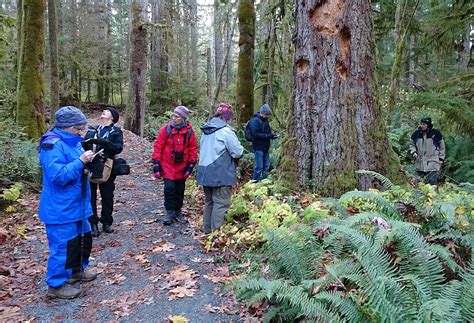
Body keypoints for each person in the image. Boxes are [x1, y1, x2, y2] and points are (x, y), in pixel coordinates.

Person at [38, 106, 97, 299]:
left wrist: (89, 164)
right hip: (60, 208)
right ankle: (56, 285)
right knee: (63, 246)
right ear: (65, 127)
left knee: (82, 240)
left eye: (83, 128)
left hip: (78, 204)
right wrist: (80, 161)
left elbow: (77, 167)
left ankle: (76, 271)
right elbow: (58, 176)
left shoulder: (73, 141)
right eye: (78, 128)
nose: (81, 133)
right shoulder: (52, 145)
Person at [196, 103, 244, 234]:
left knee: (209, 202)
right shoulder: (226, 131)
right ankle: (216, 235)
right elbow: (237, 152)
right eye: (230, 116)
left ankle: (207, 232)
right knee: (221, 203)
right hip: (220, 173)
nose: (230, 119)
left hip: (205, 172)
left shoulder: (206, 131)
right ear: (226, 117)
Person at [152, 106, 198, 225]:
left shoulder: (189, 132)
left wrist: (191, 164)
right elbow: (158, 146)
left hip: (182, 167)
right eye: (173, 115)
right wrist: (156, 164)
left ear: (183, 118)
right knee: (169, 189)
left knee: (180, 190)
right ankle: (169, 212)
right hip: (167, 166)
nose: (174, 118)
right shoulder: (166, 129)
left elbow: (193, 148)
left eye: (177, 116)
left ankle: (178, 211)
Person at [82, 107, 124, 236]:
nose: (103, 112)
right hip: (91, 166)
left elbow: (118, 148)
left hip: (107, 167)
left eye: (106, 112)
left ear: (112, 117)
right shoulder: (92, 130)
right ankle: (93, 223)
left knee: (107, 196)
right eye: (103, 111)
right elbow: (83, 145)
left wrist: (103, 142)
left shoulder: (116, 131)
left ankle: (106, 222)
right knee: (91, 197)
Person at [409, 116, 445, 185]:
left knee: (432, 182)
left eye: (424, 124)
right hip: (420, 162)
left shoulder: (436, 133)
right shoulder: (416, 133)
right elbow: (411, 144)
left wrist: (441, 159)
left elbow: (442, 147)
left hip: (433, 162)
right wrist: (414, 152)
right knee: (419, 183)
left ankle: (433, 195)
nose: (422, 126)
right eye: (421, 124)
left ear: (428, 125)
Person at [248, 104, 278, 182]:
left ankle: (265, 182)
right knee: (259, 167)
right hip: (258, 147)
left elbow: (267, 132)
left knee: (266, 166)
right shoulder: (255, 121)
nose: (268, 116)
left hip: (265, 147)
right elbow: (255, 134)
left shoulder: (265, 121)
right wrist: (268, 136)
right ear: (263, 113)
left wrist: (272, 135)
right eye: (267, 115)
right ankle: (255, 183)